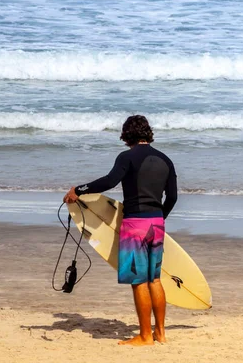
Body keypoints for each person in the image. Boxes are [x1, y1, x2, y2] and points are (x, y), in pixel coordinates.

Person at [63, 115, 178, 346]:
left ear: (127, 135)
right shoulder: (166, 160)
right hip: (156, 224)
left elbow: (109, 181)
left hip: (135, 224)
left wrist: (79, 190)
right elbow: (173, 197)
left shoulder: (127, 157)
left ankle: (145, 336)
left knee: (139, 281)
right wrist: (158, 218)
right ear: (148, 133)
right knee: (154, 279)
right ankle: (161, 334)